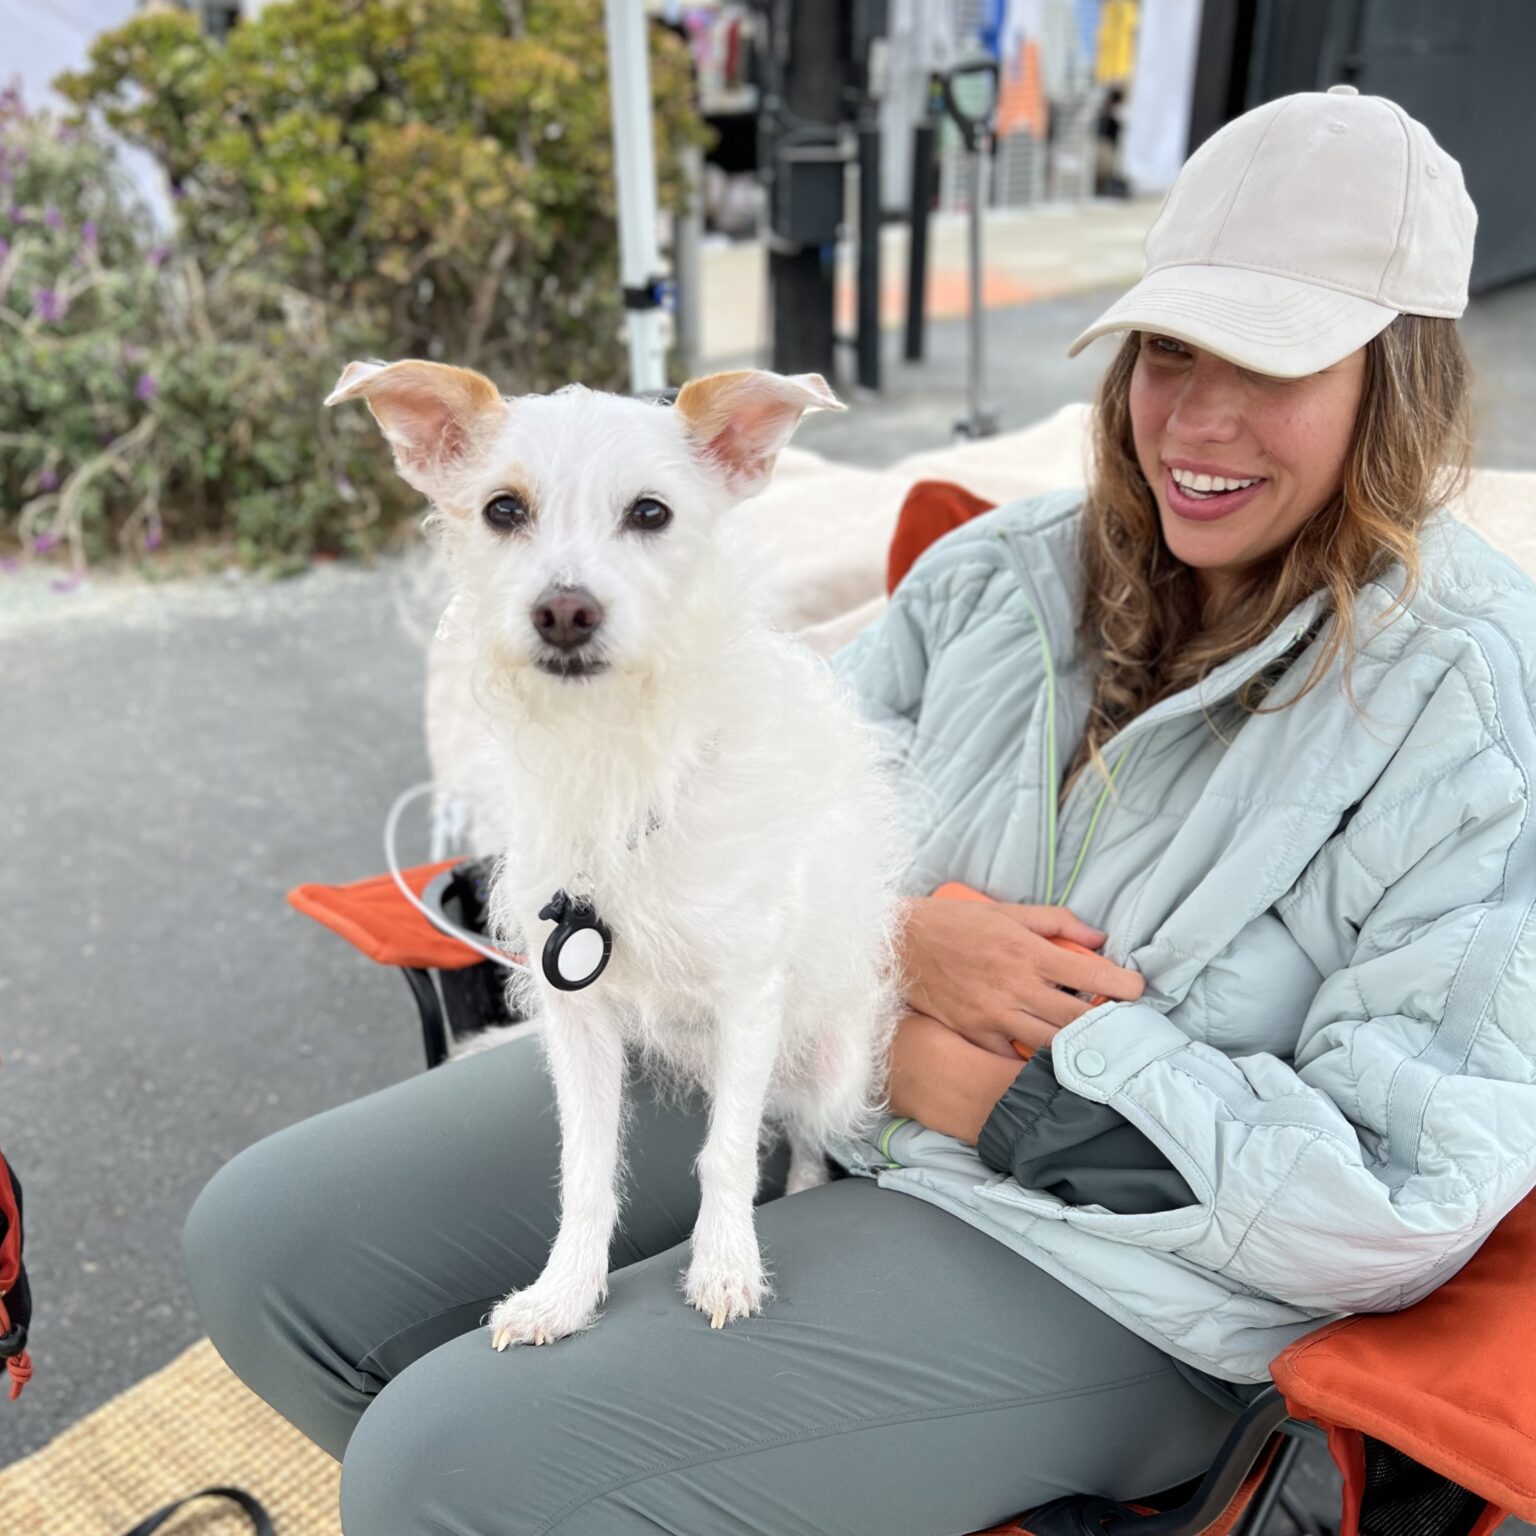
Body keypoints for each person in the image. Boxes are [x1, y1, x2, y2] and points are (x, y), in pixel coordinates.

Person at [182, 87, 1536, 1536]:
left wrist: (977, 1076)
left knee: (444, 1469)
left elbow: (1399, 1189)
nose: (1197, 417)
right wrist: (899, 941)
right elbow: (757, 801)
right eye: (1167, 348)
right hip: (788, 1069)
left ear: (1394, 379)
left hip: (1117, 1269)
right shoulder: (1006, 573)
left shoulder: (1469, 703)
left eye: (1273, 363)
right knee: (269, 1251)